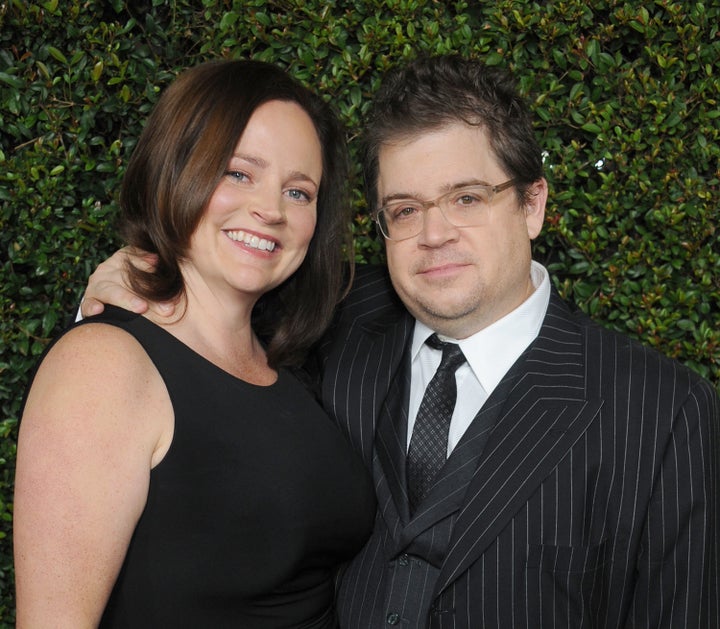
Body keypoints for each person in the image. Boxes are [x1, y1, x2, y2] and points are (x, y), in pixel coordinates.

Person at [78, 55, 720, 628]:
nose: (433, 234)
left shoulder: (661, 411)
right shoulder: (329, 328)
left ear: (532, 204)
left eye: (467, 198)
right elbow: (201, 333)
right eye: (405, 209)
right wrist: (138, 276)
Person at [13, 59, 376, 628]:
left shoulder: (297, 363)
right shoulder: (103, 366)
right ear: (175, 170)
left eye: (299, 192)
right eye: (238, 173)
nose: (271, 210)